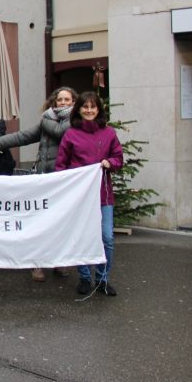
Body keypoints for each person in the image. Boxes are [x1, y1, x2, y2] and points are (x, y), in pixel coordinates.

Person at [0, 85, 76, 282]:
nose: (62, 103)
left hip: (63, 180)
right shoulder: (47, 120)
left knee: (60, 222)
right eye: (59, 100)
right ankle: (37, 263)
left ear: (73, 102)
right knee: (41, 222)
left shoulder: (71, 121)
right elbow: (23, 136)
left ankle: (59, 261)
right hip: (44, 177)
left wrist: (45, 120)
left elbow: (61, 132)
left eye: (67, 100)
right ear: (54, 102)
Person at [55, 91, 124, 297]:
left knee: (107, 237)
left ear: (98, 110)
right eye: (85, 107)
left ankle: (103, 279)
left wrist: (110, 163)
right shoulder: (70, 134)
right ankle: (85, 277)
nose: (89, 110)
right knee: (81, 237)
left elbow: (118, 158)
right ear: (79, 110)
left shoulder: (109, 133)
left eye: (93, 107)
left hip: (103, 195)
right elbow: (61, 166)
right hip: (80, 198)